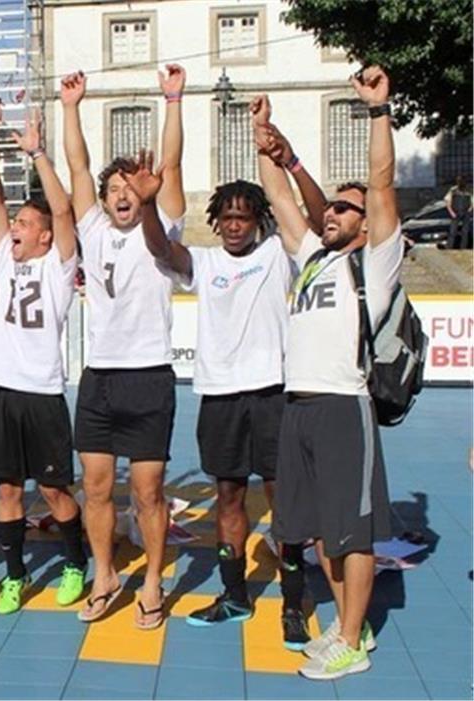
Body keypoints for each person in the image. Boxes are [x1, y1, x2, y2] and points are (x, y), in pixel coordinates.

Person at [129, 91, 322, 648]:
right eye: (227, 217)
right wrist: (147, 205)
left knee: (284, 501)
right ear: (215, 221)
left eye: (245, 217)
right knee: (231, 500)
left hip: (272, 397)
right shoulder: (205, 262)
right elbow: (164, 252)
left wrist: (278, 146)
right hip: (219, 398)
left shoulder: (277, 255)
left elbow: (308, 213)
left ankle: (292, 601)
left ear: (258, 220)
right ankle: (235, 593)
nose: (235, 225)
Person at [258, 66, 402, 680]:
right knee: (319, 533)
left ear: (366, 224)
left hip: (345, 405)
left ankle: (350, 638)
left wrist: (377, 112)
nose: (335, 211)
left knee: (353, 533)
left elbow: (382, 182)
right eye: (335, 207)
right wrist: (262, 133)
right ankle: (350, 627)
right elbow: (279, 199)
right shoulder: (314, 258)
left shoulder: (377, 260)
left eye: (346, 207)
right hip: (300, 409)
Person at [61, 67, 184, 626]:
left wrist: (173, 100)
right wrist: (70, 107)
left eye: (130, 190)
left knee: (148, 492)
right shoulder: (92, 230)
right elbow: (79, 167)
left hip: (149, 377)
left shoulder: (161, 232)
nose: (120, 197)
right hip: (100, 379)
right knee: (94, 486)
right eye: (114, 191)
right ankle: (105, 574)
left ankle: (154, 580)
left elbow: (173, 167)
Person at [0, 105, 84, 616]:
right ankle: (14, 575)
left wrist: (39, 151)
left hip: (42, 394)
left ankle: (73, 560)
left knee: (55, 489)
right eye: (14, 222)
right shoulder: (2, 256)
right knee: (8, 491)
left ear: (43, 236)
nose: (14, 226)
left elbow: (63, 212)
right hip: (1, 390)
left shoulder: (58, 269)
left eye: (24, 223)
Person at [445, 175, 472, 249]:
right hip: (455, 212)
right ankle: (449, 248)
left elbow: (472, 201)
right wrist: (451, 212)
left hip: (466, 212)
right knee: (452, 232)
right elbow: (448, 201)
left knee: (465, 232)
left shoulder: (469, 190)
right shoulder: (453, 190)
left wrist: (470, 209)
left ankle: (463, 248)